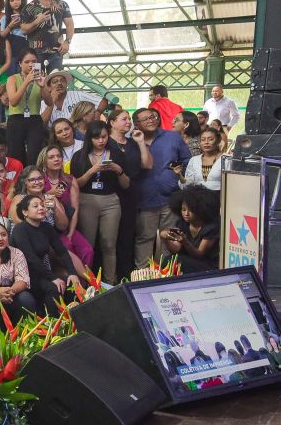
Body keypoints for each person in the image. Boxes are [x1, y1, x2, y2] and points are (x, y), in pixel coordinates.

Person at [130, 106, 189, 265]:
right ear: (136, 124)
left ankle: (167, 274)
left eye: (152, 117)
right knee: (145, 237)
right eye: (146, 119)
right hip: (145, 199)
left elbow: (186, 160)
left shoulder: (173, 137)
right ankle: (142, 276)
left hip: (170, 197)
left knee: (170, 236)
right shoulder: (132, 142)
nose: (151, 120)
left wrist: (173, 171)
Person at [70, 120, 128, 281]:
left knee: (109, 244)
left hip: (111, 200)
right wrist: (92, 171)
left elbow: (126, 184)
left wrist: (119, 170)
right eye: (97, 138)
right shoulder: (79, 156)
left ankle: (111, 280)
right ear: (90, 138)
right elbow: (76, 184)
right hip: (87, 199)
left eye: (104, 137)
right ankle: (87, 282)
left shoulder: (117, 154)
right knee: (88, 244)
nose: (101, 141)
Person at [10, 194, 78, 310]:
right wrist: (52, 277)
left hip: (41, 272)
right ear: (25, 212)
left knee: (71, 284)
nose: (41, 208)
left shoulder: (46, 227)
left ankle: (72, 320)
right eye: (35, 206)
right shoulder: (20, 229)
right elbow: (30, 258)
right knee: (53, 287)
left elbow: (62, 252)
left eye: (42, 205)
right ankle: (53, 322)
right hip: (24, 275)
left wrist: (73, 273)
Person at [21, 0, 74, 73]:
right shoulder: (29, 7)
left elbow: (70, 24)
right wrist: (37, 21)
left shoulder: (62, 4)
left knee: (55, 80)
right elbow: (23, 30)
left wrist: (67, 42)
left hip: (57, 52)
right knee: (36, 79)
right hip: (35, 54)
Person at [161, 185, 220, 274]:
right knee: (168, 260)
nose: (186, 214)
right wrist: (165, 239)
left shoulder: (211, 227)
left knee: (177, 261)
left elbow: (199, 255)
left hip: (208, 265)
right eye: (183, 210)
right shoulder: (182, 223)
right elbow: (175, 250)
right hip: (189, 261)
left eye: (190, 210)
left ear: (200, 209)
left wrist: (185, 242)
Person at [183, 127, 225, 191]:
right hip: (197, 197)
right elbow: (188, 184)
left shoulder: (226, 159)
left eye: (210, 139)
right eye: (203, 139)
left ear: (218, 141)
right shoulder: (194, 160)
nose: (206, 142)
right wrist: (180, 177)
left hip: (220, 197)